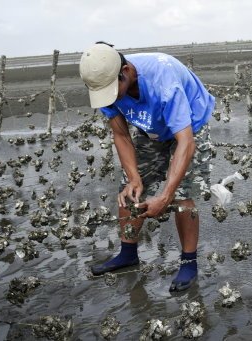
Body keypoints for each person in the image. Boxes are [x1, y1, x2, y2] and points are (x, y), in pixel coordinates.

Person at [79, 42, 215, 292]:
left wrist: (165, 195)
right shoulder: (104, 80)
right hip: (151, 127)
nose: (112, 97)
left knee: (182, 193)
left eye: (114, 90)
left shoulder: (164, 82)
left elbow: (185, 141)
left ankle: (188, 262)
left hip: (190, 126)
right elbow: (120, 134)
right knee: (129, 189)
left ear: (127, 71)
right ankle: (127, 253)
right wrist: (134, 177)